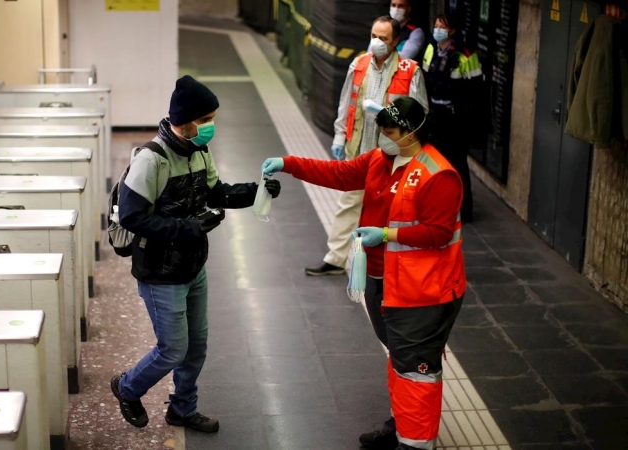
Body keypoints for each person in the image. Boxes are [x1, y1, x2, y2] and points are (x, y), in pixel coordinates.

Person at [262, 96, 466, 450]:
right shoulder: (379, 160)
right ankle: (401, 424)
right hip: (381, 282)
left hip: (422, 291)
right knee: (399, 358)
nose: (382, 138)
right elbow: (339, 174)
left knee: (416, 368)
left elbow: (439, 232)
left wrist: (386, 235)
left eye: (388, 131)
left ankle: (416, 445)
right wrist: (288, 163)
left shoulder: (438, 175)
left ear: (410, 131)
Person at [110, 75, 282, 433]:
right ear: (185, 121)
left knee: (195, 347)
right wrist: (188, 228)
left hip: (192, 267)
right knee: (173, 349)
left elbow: (215, 192)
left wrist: (256, 191)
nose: (211, 127)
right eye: (205, 120)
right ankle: (127, 388)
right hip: (160, 272)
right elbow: (131, 216)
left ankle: (182, 409)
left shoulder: (199, 150)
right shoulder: (151, 160)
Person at [308, 16, 428, 276]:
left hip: (391, 156)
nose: (376, 42)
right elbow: (345, 103)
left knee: (391, 210)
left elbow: (421, 115)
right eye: (374, 36)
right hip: (359, 150)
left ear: (396, 41)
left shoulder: (410, 71)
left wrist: (388, 113)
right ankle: (336, 259)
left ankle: (391, 264)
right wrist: (339, 136)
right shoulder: (359, 64)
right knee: (348, 203)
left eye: (383, 39)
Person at [423, 13, 481, 223]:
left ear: (452, 31)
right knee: (432, 162)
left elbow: (475, 91)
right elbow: (425, 78)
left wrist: (467, 119)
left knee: (458, 164)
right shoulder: (431, 48)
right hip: (434, 114)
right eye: (436, 25)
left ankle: (464, 211)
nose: (437, 30)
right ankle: (436, 205)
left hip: (456, 118)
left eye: (442, 27)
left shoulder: (465, 54)